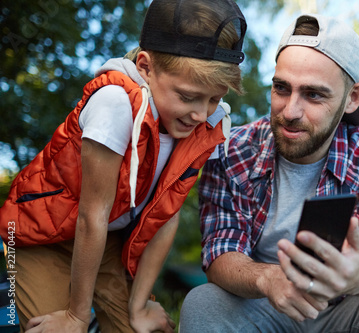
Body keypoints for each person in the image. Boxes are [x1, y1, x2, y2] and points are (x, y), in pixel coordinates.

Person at [180, 14, 359, 332]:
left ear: (352, 97)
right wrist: (267, 278)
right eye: (281, 88)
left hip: (349, 307)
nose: (290, 111)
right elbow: (221, 250)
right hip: (264, 306)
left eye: (314, 94)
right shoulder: (232, 148)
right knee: (203, 302)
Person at [0, 0, 247, 332]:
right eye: (188, 97)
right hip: (40, 235)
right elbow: (92, 216)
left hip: (106, 245)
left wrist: (139, 305)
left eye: (214, 98)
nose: (201, 114)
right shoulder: (115, 103)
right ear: (145, 67)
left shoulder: (206, 122)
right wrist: (76, 316)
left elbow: (166, 215)